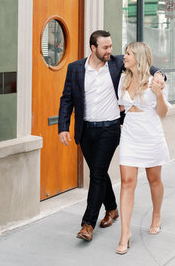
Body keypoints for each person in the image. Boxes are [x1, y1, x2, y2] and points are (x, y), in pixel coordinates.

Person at [58, 30, 164, 242]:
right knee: (100, 172)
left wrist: (160, 74)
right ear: (93, 48)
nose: (110, 51)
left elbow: (144, 64)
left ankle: (87, 224)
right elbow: (66, 98)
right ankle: (113, 209)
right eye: (105, 47)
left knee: (96, 174)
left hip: (110, 128)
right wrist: (63, 126)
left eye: (111, 46)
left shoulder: (117, 64)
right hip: (86, 130)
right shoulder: (75, 69)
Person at [115, 41, 170, 255]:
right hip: (130, 132)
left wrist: (157, 94)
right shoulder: (123, 78)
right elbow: (122, 105)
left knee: (153, 180)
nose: (124, 57)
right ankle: (125, 233)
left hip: (151, 134)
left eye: (128, 53)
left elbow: (163, 113)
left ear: (138, 57)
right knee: (127, 182)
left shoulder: (156, 82)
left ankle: (156, 214)